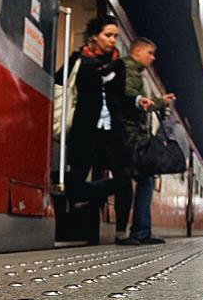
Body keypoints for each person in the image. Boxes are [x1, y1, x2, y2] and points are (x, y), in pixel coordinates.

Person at [60, 16, 137, 246]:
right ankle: (72, 225)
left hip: (113, 132)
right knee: (76, 180)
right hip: (86, 129)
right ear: (95, 37)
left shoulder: (119, 65)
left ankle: (121, 233)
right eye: (108, 35)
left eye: (115, 36)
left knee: (124, 178)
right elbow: (59, 82)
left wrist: (137, 102)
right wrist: (98, 75)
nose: (113, 40)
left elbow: (121, 97)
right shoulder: (78, 60)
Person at [122, 37, 176, 245]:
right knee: (140, 180)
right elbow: (132, 100)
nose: (152, 58)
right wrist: (160, 102)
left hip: (133, 136)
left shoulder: (136, 72)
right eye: (150, 53)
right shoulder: (129, 70)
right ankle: (80, 191)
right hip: (130, 136)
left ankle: (142, 231)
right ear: (137, 51)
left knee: (144, 180)